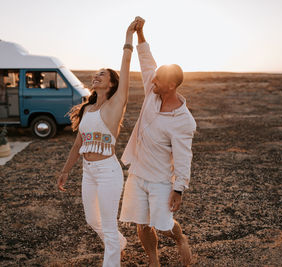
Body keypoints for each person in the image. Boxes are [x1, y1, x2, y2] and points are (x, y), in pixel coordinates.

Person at [57, 18, 138, 267]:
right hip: (87, 172)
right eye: (95, 74)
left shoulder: (115, 105)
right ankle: (120, 244)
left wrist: (128, 37)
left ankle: (112, 254)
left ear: (112, 83)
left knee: (109, 226)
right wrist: (65, 171)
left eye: (102, 74)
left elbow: (125, 66)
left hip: (108, 171)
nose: (96, 76)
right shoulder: (87, 109)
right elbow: (77, 144)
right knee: (93, 220)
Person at [119, 17, 196, 267]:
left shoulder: (184, 120)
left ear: (171, 85)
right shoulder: (153, 94)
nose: (152, 81)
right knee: (141, 223)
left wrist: (179, 189)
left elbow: (184, 156)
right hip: (138, 172)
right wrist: (141, 34)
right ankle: (154, 261)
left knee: (163, 225)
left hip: (162, 178)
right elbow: (146, 61)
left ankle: (179, 237)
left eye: (158, 80)